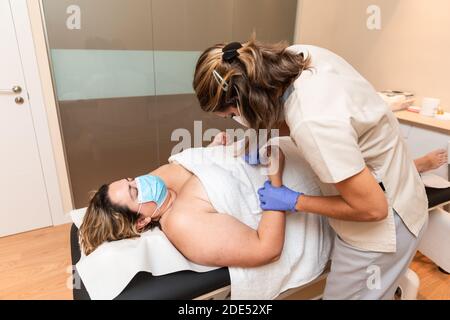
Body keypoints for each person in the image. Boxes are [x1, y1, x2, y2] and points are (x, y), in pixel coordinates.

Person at [193, 38, 431, 299]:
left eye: (229, 115)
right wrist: (263, 133)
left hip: (385, 225)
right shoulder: (297, 57)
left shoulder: (313, 123)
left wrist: (293, 200)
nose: (233, 122)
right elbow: (292, 113)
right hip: (397, 180)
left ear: (245, 100)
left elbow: (372, 208)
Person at [79, 140, 287, 268]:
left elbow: (199, 169)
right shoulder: (183, 224)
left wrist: (213, 150)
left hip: (272, 147)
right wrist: (276, 180)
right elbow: (266, 249)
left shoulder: (156, 182)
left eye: (130, 180)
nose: (140, 182)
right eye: (134, 191)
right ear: (142, 220)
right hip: (288, 178)